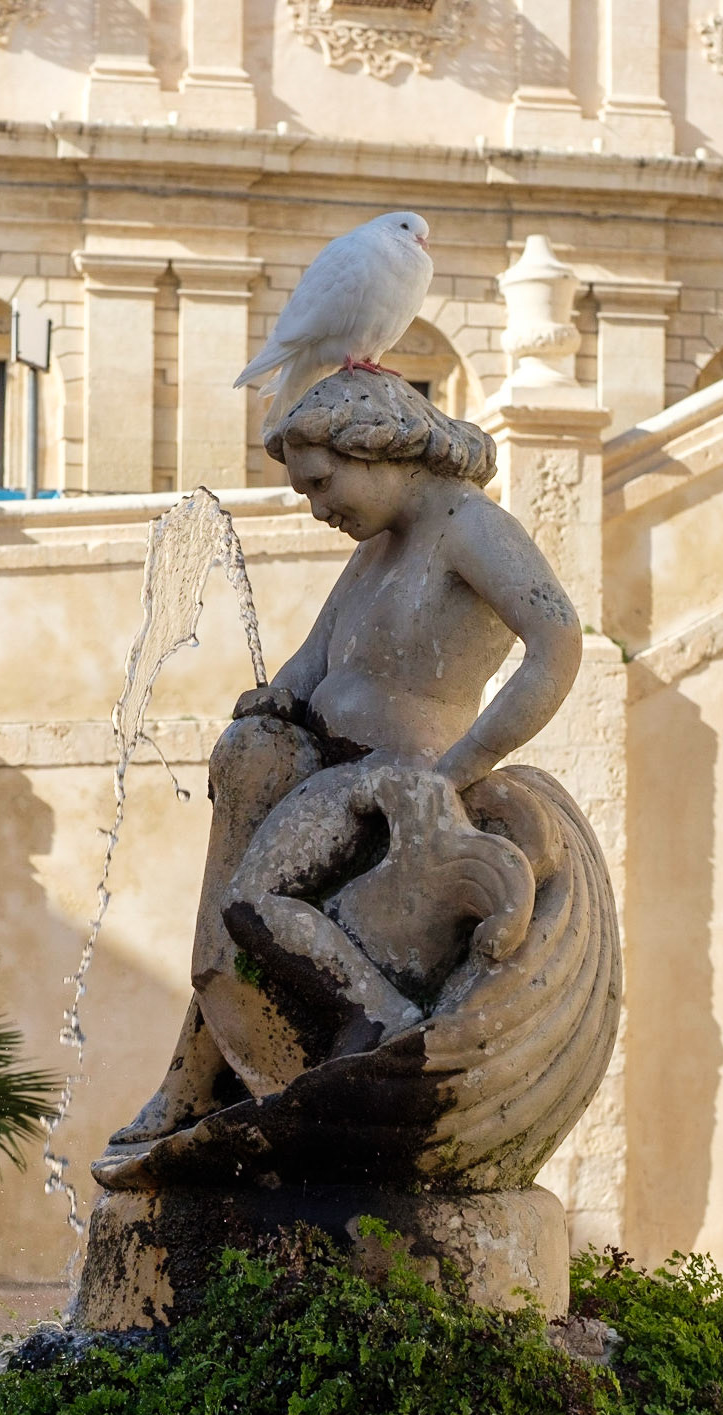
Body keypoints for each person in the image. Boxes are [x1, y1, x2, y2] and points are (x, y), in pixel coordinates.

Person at [108, 370, 582, 1148]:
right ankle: (195, 1079)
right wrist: (273, 700)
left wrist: (461, 766)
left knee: (249, 900)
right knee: (239, 901)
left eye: (322, 484)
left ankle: (363, 1024)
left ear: (378, 448)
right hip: (327, 774)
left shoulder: (470, 527)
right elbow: (310, 663)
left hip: (392, 785)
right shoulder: (375, 550)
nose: (318, 508)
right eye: (305, 493)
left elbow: (555, 645)